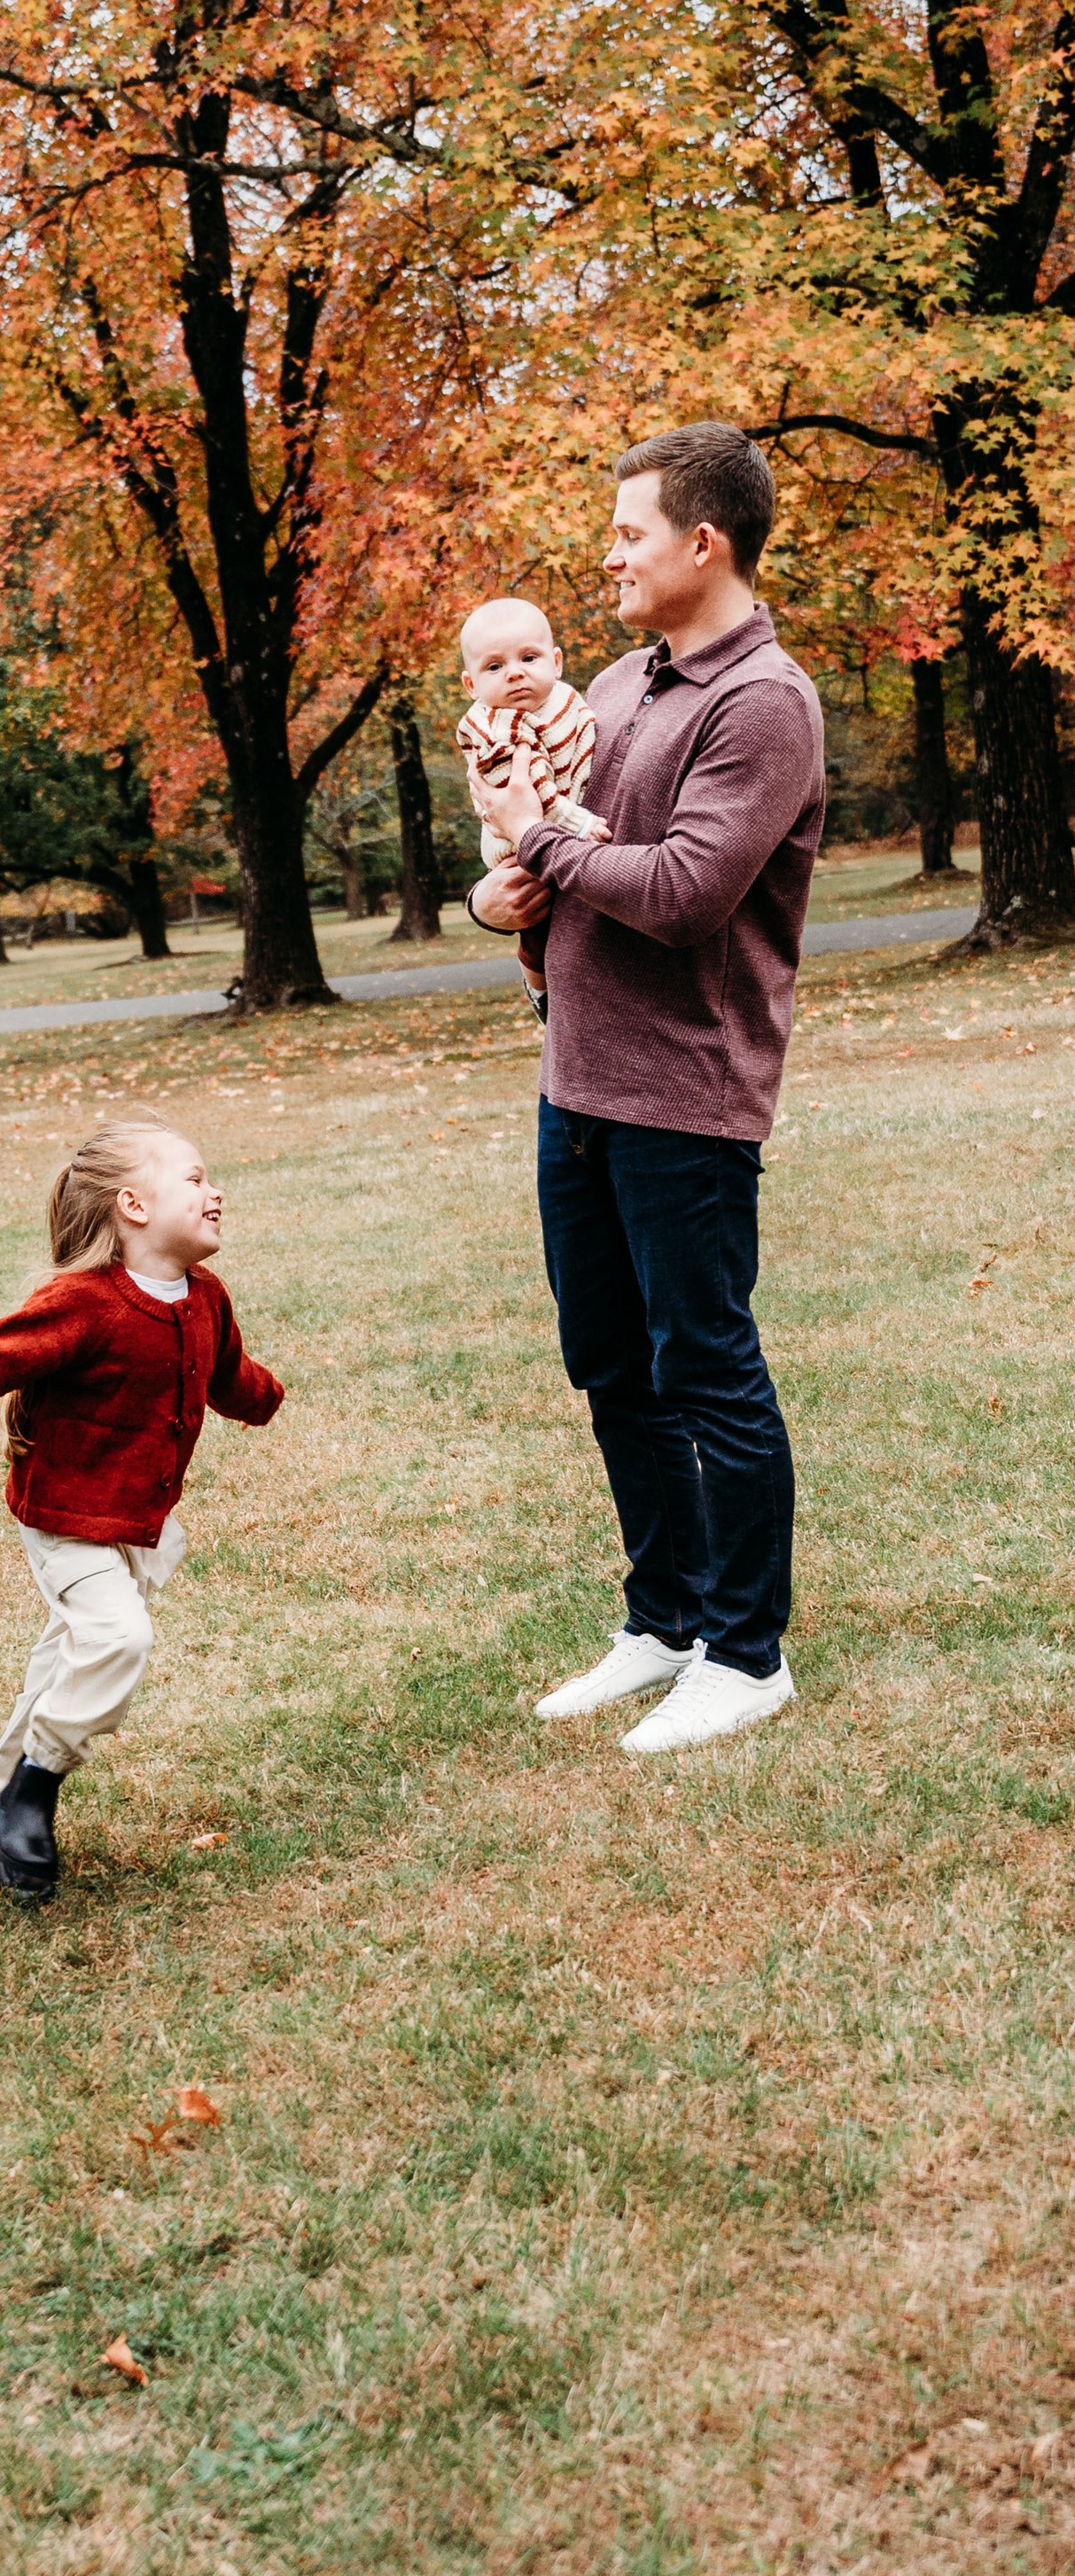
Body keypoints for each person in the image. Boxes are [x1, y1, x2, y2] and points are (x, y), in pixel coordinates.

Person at [466, 421, 824, 1754]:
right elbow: (539, 850)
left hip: (687, 1091)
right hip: (578, 1082)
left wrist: (546, 842)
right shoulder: (616, 681)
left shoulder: (765, 702)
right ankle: (665, 1619)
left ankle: (746, 1654)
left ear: (702, 541)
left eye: (628, 534)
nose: (609, 555)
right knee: (613, 1365)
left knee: (705, 1366)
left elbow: (680, 893)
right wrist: (496, 890)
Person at [0, 1120, 283, 1901]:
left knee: (59, 1670)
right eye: (197, 1178)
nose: (216, 1192)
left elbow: (226, 1372)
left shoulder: (205, 1297)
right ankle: (33, 1794)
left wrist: (262, 1397)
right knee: (118, 1638)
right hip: (66, 1519)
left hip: (136, 1527)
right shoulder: (84, 1302)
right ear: (133, 1205)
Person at [456, 596, 610, 1015]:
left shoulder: (564, 700)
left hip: (564, 835)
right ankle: (541, 991)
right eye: (494, 667)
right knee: (537, 924)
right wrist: (573, 821)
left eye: (529, 657)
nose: (516, 673)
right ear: (472, 685)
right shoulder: (493, 726)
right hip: (520, 847)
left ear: (556, 662)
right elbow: (524, 792)